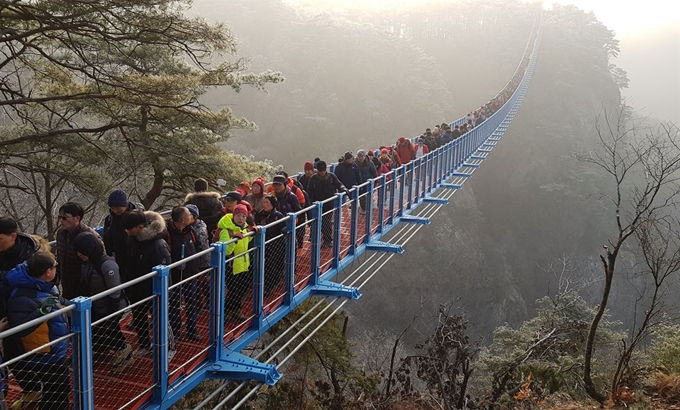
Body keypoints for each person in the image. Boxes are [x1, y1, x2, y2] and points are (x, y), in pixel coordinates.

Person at [5, 252, 70, 410]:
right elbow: (20, 328)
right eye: (54, 266)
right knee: (56, 393)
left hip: (53, 349)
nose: (56, 269)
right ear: (48, 271)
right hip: (43, 354)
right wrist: (41, 312)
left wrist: (74, 306)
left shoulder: (42, 285)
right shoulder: (22, 296)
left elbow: (55, 300)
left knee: (59, 390)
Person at [72, 232, 133, 374]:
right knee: (105, 332)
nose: (79, 255)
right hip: (98, 305)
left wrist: (110, 316)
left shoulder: (108, 265)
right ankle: (124, 352)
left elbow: (115, 293)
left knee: (109, 330)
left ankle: (124, 350)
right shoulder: (88, 264)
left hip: (113, 306)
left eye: (81, 251)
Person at [121, 210, 175, 357]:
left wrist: (165, 292)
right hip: (136, 287)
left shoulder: (158, 244)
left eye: (129, 229)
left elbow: (165, 270)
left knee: (160, 319)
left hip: (155, 290)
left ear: (140, 226)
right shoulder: (132, 239)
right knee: (139, 317)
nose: (127, 232)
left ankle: (168, 348)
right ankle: (145, 344)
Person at [166, 207, 201, 342]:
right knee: (174, 303)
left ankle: (192, 328)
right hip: (175, 276)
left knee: (192, 302)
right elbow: (165, 255)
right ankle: (175, 329)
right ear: (182, 220)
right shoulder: (167, 234)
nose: (191, 217)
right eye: (188, 215)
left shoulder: (190, 230)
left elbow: (197, 245)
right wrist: (175, 264)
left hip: (191, 273)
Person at [56, 202, 104, 300]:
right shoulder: (61, 234)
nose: (61, 221)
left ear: (77, 218)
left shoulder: (90, 236)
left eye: (64, 218)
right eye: (59, 217)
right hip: (66, 284)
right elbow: (60, 258)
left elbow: (101, 261)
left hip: (85, 288)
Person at [218, 204, 254, 322]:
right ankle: (227, 311)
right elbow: (226, 250)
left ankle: (236, 309)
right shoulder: (226, 230)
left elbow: (246, 242)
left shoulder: (245, 227)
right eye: (238, 216)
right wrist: (234, 239)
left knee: (242, 289)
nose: (241, 218)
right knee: (234, 290)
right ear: (234, 216)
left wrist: (253, 233)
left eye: (243, 216)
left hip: (243, 263)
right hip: (232, 265)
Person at [103, 189, 141, 283]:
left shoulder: (137, 217)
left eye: (118, 207)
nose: (115, 210)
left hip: (134, 257)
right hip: (117, 256)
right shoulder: (109, 219)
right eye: (112, 207)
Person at [306, 161, 346, 248]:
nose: (321, 173)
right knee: (315, 221)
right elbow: (309, 191)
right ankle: (314, 237)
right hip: (317, 204)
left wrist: (343, 188)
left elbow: (338, 184)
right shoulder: (313, 178)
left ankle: (328, 240)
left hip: (329, 203)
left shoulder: (331, 177)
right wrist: (310, 203)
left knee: (326, 222)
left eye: (323, 171)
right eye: (320, 171)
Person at [254, 196, 285, 297]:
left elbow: (284, 228)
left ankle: (271, 285)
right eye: (263, 202)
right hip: (262, 243)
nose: (264, 205)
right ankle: (263, 284)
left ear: (273, 204)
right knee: (262, 264)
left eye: (267, 202)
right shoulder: (259, 214)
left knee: (271, 264)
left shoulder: (278, 215)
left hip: (275, 243)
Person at [186, 204, 211, 310]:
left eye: (188, 215)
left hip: (203, 260)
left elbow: (200, 243)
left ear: (194, 217)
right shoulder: (188, 227)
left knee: (205, 283)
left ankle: (210, 301)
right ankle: (198, 303)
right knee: (196, 283)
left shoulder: (200, 228)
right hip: (194, 260)